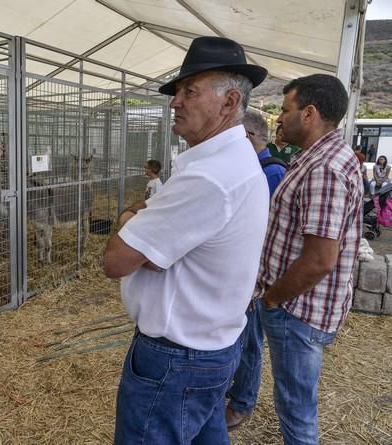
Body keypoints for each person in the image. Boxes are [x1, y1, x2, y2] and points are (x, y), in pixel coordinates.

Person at [103, 36, 269, 445]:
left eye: (189, 92)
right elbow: (161, 254)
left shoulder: (207, 177)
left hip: (176, 359)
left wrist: (130, 216)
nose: (175, 103)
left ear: (230, 103)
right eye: (177, 92)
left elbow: (116, 260)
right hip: (214, 347)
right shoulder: (238, 159)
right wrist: (155, 247)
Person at [258, 74, 362, 445]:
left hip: (297, 310)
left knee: (296, 409)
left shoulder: (323, 169)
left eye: (286, 110)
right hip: (300, 306)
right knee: (295, 401)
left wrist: (273, 298)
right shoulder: (322, 155)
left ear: (309, 113)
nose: (279, 118)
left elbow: (319, 259)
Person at [224, 110, 286, 430]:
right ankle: (236, 391)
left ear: (249, 137)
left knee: (250, 339)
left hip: (258, 275)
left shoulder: (270, 172)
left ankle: (242, 401)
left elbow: (264, 230)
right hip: (248, 270)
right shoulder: (259, 169)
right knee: (241, 334)